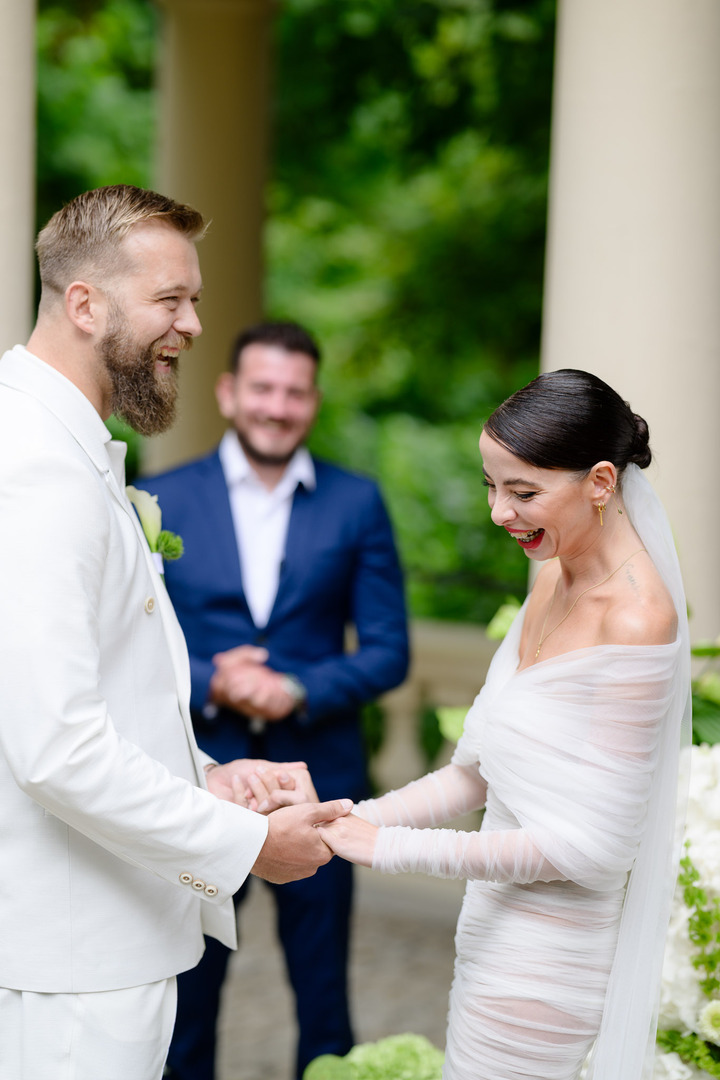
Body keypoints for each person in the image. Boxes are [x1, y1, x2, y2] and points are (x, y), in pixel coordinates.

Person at [0, 184, 353, 1080]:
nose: (194, 325)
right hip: (71, 968)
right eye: (172, 299)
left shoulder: (70, 448)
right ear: (85, 303)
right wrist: (246, 845)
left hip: (102, 949)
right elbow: (56, 749)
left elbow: (95, 703)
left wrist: (211, 778)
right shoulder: (36, 468)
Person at [317, 369, 691, 1080]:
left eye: (522, 492)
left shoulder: (638, 619)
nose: (498, 512)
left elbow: (593, 849)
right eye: (492, 486)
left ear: (602, 483)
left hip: (549, 967)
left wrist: (392, 848)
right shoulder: (550, 574)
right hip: (487, 939)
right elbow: (476, 772)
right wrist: (354, 819)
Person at [138, 320, 409, 1080]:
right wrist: (209, 680)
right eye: (262, 387)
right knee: (188, 984)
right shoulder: (159, 496)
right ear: (228, 393)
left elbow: (390, 649)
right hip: (197, 774)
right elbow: (126, 644)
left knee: (323, 990)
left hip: (317, 779)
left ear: (313, 402)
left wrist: (297, 687)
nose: (277, 406)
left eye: (294, 392)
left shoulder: (357, 504)